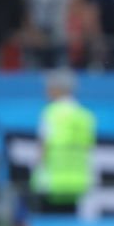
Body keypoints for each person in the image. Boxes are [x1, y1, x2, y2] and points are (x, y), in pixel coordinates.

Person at [31, 69, 96, 214]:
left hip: (51, 183)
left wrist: (37, 173)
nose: (45, 92)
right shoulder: (85, 116)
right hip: (77, 182)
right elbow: (89, 150)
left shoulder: (50, 113)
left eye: (48, 88)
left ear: (57, 89)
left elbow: (43, 147)